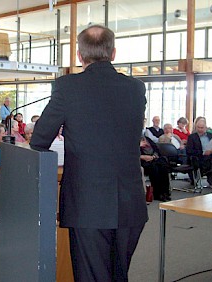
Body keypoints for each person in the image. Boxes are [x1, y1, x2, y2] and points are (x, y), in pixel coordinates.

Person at [30, 25, 148, 281]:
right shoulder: (136, 88)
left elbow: (39, 140)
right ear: (113, 53)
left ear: (79, 56)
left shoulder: (67, 86)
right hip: (130, 203)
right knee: (119, 274)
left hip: (88, 204)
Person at [186, 119, 212, 188]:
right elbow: (189, 151)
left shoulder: (210, 135)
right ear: (196, 127)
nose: (200, 129)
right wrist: (203, 152)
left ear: (205, 128)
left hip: (211, 155)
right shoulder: (192, 137)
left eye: (202, 128)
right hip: (200, 157)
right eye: (198, 127)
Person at [140, 137, 171, 201]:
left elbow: (156, 149)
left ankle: (165, 192)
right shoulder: (133, 141)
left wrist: (153, 156)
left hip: (154, 158)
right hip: (143, 161)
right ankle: (157, 194)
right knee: (154, 169)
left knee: (163, 167)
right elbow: (132, 153)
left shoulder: (148, 138)